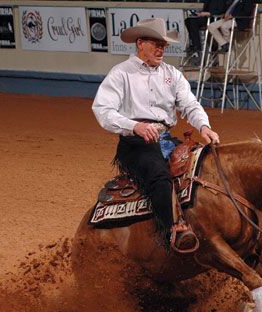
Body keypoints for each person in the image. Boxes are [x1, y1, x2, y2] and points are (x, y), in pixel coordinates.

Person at [92, 18, 220, 253]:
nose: (161, 49)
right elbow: (103, 110)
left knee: (205, 165)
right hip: (135, 143)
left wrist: (204, 126)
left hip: (165, 140)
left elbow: (190, 105)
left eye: (164, 45)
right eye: (156, 44)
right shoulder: (121, 73)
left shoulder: (172, 74)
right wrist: (134, 126)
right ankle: (173, 232)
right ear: (140, 43)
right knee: (160, 177)